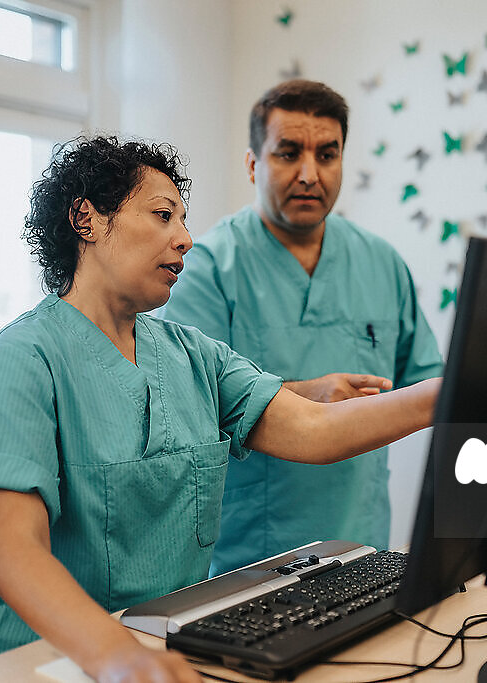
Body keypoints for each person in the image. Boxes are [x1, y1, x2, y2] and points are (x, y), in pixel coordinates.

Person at [0, 135, 439, 682]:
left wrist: (447, 395)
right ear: (86, 219)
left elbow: (316, 429)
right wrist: (116, 655)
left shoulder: (193, 355)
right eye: (163, 216)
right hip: (38, 663)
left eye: (183, 221)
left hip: (164, 651)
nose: (185, 239)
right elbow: (16, 553)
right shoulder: (20, 359)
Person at [161, 80, 443, 575]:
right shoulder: (207, 268)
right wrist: (303, 396)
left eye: (327, 155)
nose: (310, 174)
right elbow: (186, 411)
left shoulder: (381, 263)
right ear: (253, 164)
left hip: (364, 545)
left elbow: (427, 384)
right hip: (251, 558)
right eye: (289, 153)